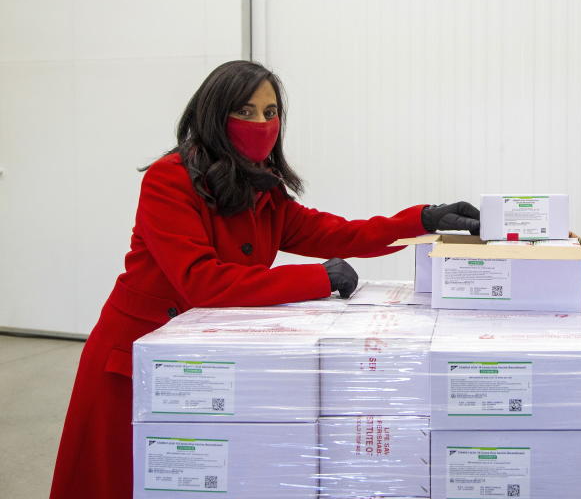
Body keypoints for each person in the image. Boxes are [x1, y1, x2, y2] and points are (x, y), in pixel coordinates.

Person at [50, 60, 480, 499]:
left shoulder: (261, 185)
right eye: (246, 111)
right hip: (136, 360)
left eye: (270, 113)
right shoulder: (170, 179)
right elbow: (202, 282)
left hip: (205, 358)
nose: (261, 123)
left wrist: (420, 219)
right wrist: (317, 278)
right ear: (213, 114)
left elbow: (333, 231)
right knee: (118, 480)